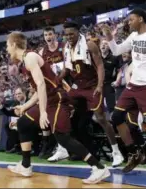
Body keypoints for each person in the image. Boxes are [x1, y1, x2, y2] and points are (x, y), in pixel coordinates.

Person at [6, 31, 110, 184]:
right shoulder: (25, 61)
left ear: (14, 45)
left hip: (58, 99)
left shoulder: (29, 57)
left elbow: (42, 85)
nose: (7, 49)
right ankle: (26, 165)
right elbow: (39, 89)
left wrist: (42, 113)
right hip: (48, 99)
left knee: (62, 137)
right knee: (23, 123)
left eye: (8, 45)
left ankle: (99, 168)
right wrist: (25, 106)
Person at [102, 8, 146, 178]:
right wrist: (110, 38)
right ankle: (135, 153)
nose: (128, 22)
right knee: (116, 117)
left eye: (131, 19)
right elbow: (117, 50)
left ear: (141, 19)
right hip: (133, 85)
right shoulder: (133, 36)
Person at [63, 21, 124, 167]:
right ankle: (63, 148)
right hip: (78, 86)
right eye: (66, 35)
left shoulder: (89, 45)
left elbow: (100, 65)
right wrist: (56, 79)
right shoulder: (66, 47)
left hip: (91, 85)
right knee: (62, 108)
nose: (69, 37)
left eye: (71, 33)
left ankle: (116, 152)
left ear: (78, 32)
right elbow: (67, 70)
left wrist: (99, 85)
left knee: (101, 118)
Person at [38, 26, 69, 161]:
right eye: (45, 35)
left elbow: (68, 66)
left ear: (55, 35)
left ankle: (67, 147)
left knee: (65, 116)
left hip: (67, 83)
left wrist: (59, 79)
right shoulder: (41, 52)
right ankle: (58, 146)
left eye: (50, 34)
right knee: (53, 116)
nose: (48, 37)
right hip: (53, 87)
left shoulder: (64, 46)